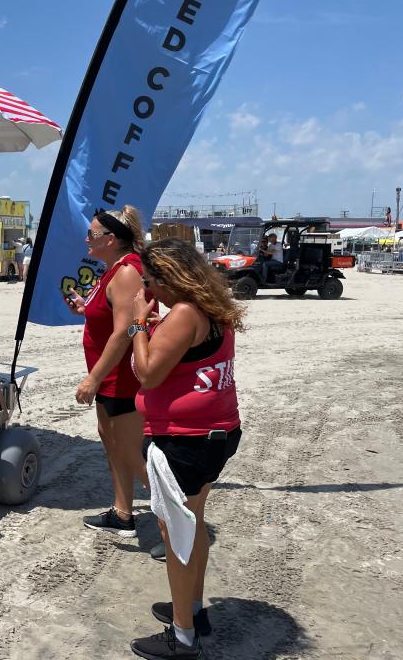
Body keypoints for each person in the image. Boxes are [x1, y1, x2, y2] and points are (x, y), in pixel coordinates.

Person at [129, 237, 246, 659]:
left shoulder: (183, 313)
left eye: (150, 281)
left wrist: (139, 326)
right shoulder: (213, 307)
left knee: (175, 535)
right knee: (192, 521)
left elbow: (147, 374)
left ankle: (182, 637)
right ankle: (193, 610)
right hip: (217, 432)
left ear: (168, 278)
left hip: (184, 439)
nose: (148, 290)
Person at [66, 207, 155, 539]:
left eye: (92, 234)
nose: (86, 239)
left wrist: (93, 378)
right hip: (110, 377)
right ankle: (123, 514)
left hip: (122, 378)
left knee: (133, 453)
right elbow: (109, 315)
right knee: (114, 445)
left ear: (111, 239)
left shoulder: (127, 272)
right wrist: (84, 309)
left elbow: (124, 332)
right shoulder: (113, 269)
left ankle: (175, 529)